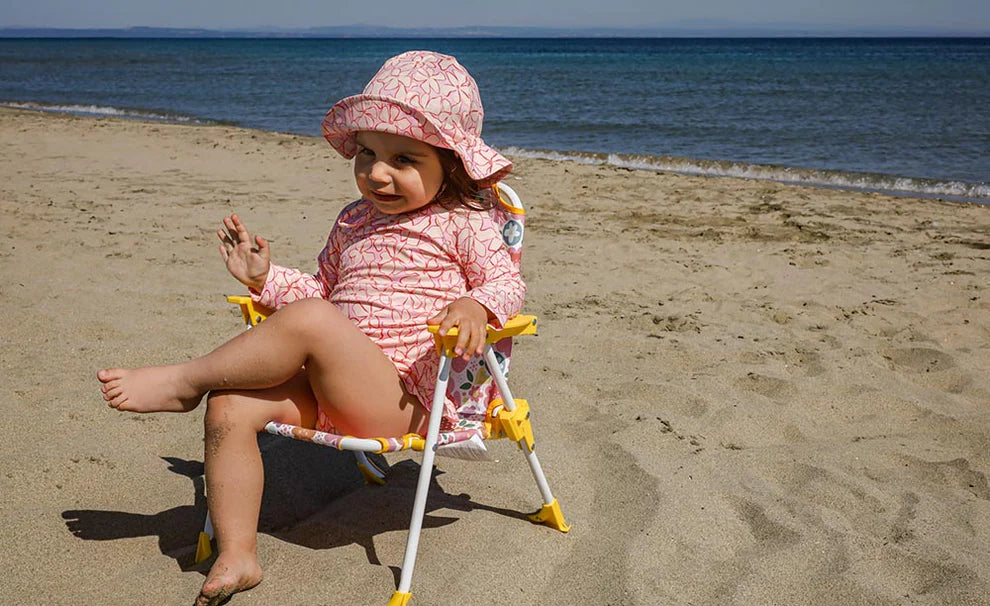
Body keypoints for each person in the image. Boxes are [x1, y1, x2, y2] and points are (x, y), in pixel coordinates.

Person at [97, 50, 524, 606]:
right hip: (328, 383)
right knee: (230, 405)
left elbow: (506, 285)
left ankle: (184, 380)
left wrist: (474, 306)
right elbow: (320, 292)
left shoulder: (467, 224)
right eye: (366, 153)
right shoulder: (353, 219)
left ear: (453, 163)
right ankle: (238, 553)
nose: (376, 172)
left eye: (404, 159)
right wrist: (265, 277)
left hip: (406, 395)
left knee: (314, 324)